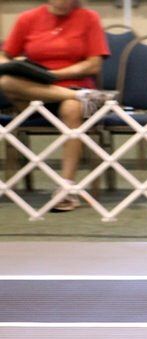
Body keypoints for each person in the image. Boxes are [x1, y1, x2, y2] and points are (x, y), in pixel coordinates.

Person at [0, 0, 110, 212]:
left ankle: (65, 189)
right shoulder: (27, 19)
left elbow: (94, 64)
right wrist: (10, 65)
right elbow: (6, 54)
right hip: (38, 96)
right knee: (4, 82)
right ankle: (83, 96)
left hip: (80, 92)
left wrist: (55, 75)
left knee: (72, 107)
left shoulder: (89, 18)